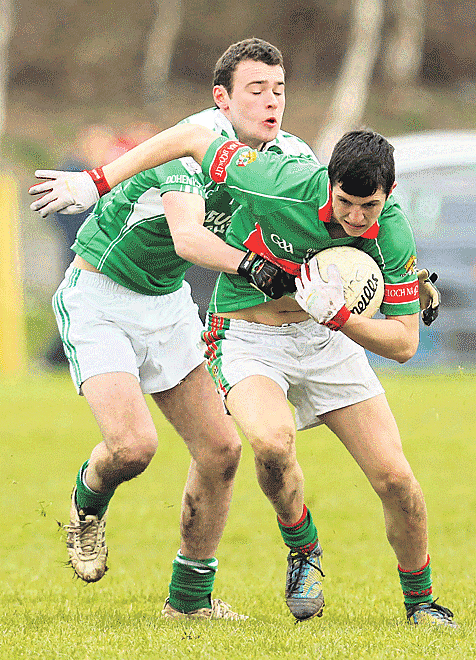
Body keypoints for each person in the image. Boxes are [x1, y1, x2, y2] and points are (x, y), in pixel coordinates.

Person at [29, 115, 451, 627]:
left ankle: (422, 604)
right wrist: (96, 180)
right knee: (270, 444)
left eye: (371, 207)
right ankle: (304, 550)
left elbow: (405, 342)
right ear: (328, 183)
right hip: (249, 337)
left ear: (390, 193)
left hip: (328, 340)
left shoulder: (394, 229)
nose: (357, 218)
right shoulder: (275, 181)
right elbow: (188, 139)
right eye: (345, 203)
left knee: (397, 480)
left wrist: (339, 315)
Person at [29, 38, 322, 621]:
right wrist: (250, 265)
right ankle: (87, 504)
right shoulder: (193, 143)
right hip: (102, 297)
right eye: (255, 91)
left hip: (167, 304)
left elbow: (330, 216)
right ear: (223, 99)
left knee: (220, 449)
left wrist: (399, 280)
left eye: (279, 91)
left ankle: (188, 603)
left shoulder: (287, 154)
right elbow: (188, 238)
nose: (271, 103)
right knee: (133, 448)